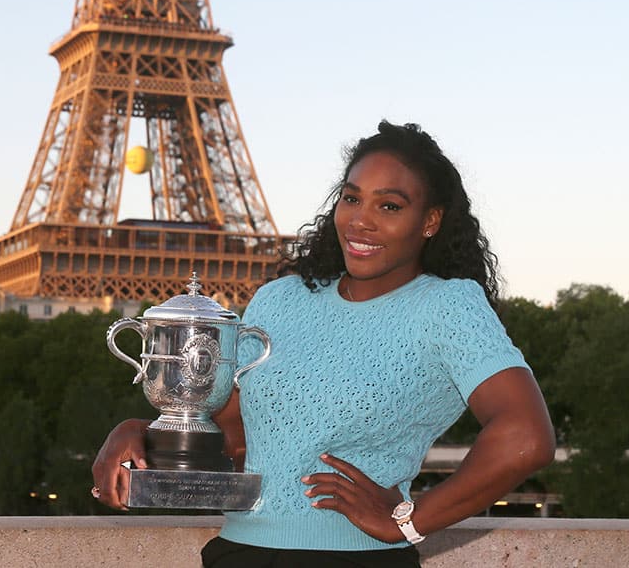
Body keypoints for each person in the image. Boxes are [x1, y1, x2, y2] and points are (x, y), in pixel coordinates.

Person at [92, 121, 556, 567]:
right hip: (239, 553)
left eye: (389, 206)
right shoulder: (280, 300)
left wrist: (408, 521)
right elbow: (235, 438)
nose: (361, 221)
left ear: (430, 220)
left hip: (353, 561)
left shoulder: (447, 306)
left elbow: (526, 436)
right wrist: (141, 434)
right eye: (351, 198)